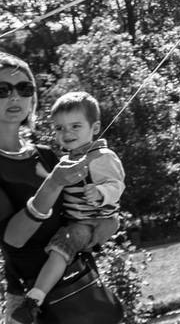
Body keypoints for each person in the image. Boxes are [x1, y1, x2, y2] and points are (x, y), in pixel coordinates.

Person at [0, 53, 119, 324]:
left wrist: (107, 220)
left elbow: (84, 215)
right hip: (28, 302)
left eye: (24, 88)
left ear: (32, 97)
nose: (15, 97)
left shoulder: (45, 154)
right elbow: (13, 238)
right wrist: (53, 183)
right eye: (2, 90)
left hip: (77, 285)